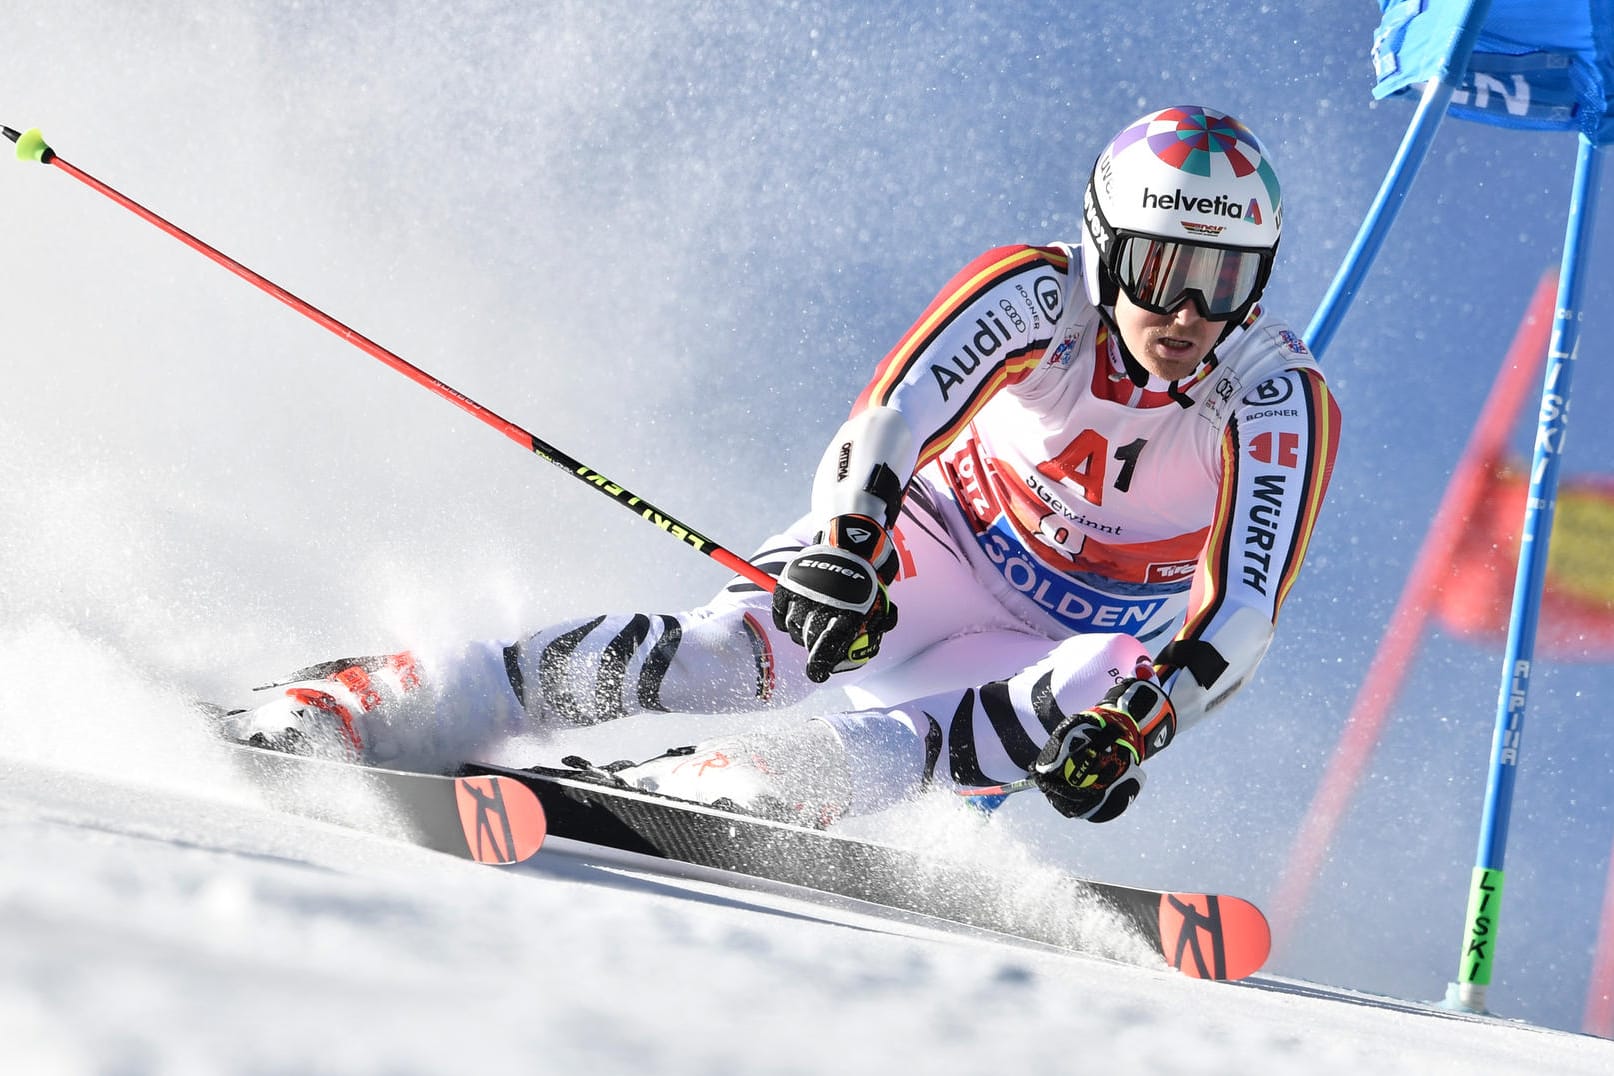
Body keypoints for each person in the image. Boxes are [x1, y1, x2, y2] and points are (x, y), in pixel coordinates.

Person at [225, 105, 1342, 829]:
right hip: (936, 548)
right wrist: (850, 545)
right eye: (1160, 267)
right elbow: (895, 413)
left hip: (1053, 640)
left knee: (1106, 680)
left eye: (1225, 277)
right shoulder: (1045, 295)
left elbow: (1242, 611)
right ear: (1106, 245)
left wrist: (1141, 726)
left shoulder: (1272, 393)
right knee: (737, 651)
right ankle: (404, 694)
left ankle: (743, 785)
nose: (1189, 310)